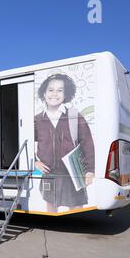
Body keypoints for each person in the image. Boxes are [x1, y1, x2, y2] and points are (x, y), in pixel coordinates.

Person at [34, 73, 95, 212]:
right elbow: (24, 141)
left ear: (66, 94)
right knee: (50, 205)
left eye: (60, 90)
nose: (54, 94)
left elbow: (88, 143)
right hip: (49, 173)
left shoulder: (74, 115)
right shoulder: (37, 120)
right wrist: (35, 161)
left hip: (73, 172)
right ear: (44, 93)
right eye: (50, 90)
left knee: (76, 207)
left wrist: (90, 171)